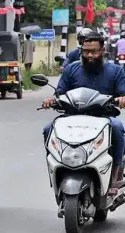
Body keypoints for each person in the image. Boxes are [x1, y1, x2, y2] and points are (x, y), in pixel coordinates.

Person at [42, 32, 125, 196]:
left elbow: (122, 93)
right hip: (72, 117)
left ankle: (116, 172)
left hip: (102, 118)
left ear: (102, 50)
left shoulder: (115, 71)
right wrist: (51, 100)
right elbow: (60, 92)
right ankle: (55, 169)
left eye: (94, 51)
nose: (90, 55)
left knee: (117, 127)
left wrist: (122, 98)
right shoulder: (71, 69)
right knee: (48, 129)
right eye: (86, 51)